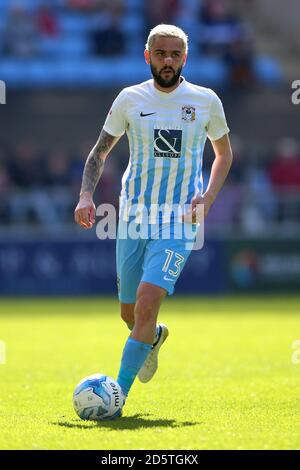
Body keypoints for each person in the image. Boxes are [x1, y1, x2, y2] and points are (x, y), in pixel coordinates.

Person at [74, 24, 233, 412]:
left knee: (146, 303)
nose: (167, 61)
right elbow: (99, 152)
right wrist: (85, 195)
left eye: (175, 54)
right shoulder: (130, 99)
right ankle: (153, 337)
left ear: (185, 58)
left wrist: (208, 197)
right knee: (130, 313)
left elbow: (224, 153)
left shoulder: (206, 100)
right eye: (160, 54)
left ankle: (117, 397)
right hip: (132, 216)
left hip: (179, 220)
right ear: (148, 56)